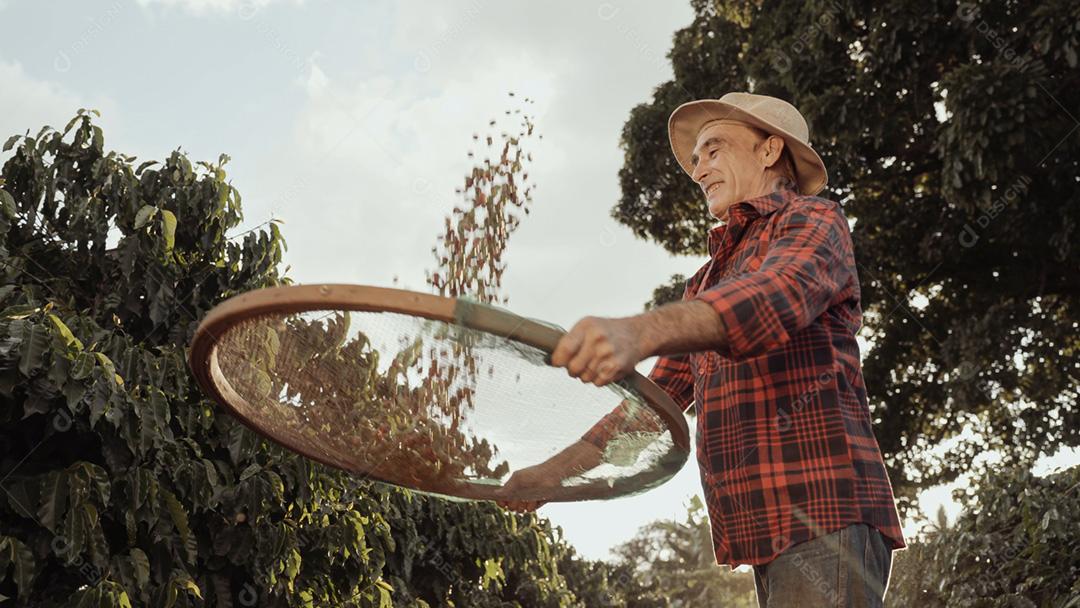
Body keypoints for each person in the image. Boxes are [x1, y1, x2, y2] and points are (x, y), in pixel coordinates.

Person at [497, 92, 906, 607]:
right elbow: (651, 407)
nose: (699, 169)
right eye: (696, 159)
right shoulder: (707, 280)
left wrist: (641, 330)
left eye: (714, 149)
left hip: (824, 512)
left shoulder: (814, 220)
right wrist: (553, 473)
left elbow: (775, 296)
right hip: (767, 535)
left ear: (769, 150)